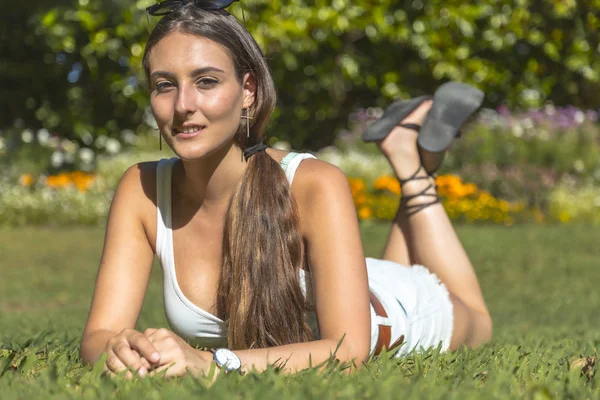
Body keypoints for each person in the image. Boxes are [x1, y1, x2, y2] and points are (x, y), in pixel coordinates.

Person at [80, 1, 492, 378]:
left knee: (479, 321)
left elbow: (347, 354)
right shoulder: (142, 189)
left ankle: (413, 171)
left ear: (248, 91)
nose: (183, 103)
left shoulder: (314, 183)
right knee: (382, 271)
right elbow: (99, 334)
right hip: (351, 283)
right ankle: (407, 150)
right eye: (164, 85)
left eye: (206, 81)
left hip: (399, 313)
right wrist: (119, 350)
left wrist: (211, 363)